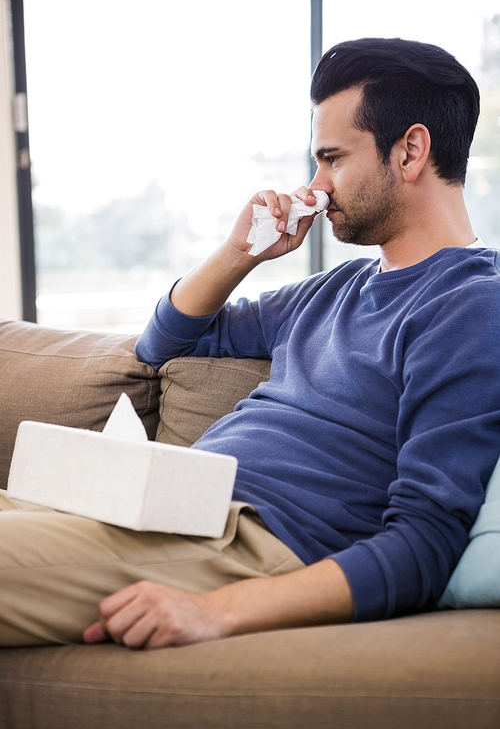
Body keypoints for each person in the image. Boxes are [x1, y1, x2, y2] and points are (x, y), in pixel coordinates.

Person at [1, 37, 500, 650]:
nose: (315, 188)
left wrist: (218, 610)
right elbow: (164, 343)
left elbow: (425, 542)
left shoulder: (469, 306)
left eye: (332, 159)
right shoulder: (336, 288)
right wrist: (240, 254)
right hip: (158, 503)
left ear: (411, 151)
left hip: (243, 538)